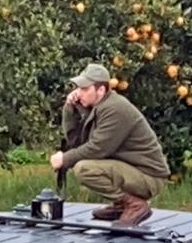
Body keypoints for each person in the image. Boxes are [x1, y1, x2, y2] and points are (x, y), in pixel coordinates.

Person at [50, 62, 171, 228]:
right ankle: (121, 205)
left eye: (85, 89)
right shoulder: (98, 108)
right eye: (78, 88)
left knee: (84, 169)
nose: (78, 93)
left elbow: (97, 149)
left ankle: (134, 205)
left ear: (100, 90)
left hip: (148, 176)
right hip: (132, 169)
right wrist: (69, 109)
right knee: (83, 164)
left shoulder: (114, 109)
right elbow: (76, 142)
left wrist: (65, 159)